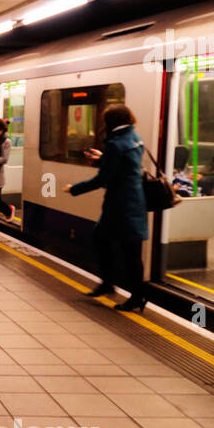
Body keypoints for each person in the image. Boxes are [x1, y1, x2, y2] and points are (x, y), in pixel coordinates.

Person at [63, 104, 148, 312]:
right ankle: (109, 283)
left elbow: (103, 178)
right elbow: (123, 166)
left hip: (120, 205)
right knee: (116, 245)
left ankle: (135, 296)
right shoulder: (134, 138)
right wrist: (102, 158)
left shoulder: (116, 144)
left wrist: (74, 189)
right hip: (134, 201)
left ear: (110, 122)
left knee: (123, 249)